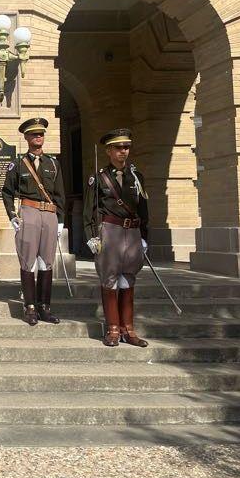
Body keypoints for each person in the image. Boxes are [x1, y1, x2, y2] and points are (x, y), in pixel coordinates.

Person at [83, 128, 150, 348]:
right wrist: (91, 236)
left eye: (127, 147)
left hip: (132, 232)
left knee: (128, 279)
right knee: (110, 279)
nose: (124, 151)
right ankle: (112, 329)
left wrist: (144, 237)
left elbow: (143, 208)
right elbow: (90, 210)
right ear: (109, 151)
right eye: (119, 147)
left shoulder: (136, 176)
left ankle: (128, 329)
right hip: (110, 230)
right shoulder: (99, 177)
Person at [1, 117, 66, 326]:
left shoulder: (53, 164)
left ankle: (44, 307)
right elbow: (7, 192)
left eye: (41, 134)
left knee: (46, 262)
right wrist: (13, 216)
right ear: (26, 137)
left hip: (49, 214)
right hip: (28, 211)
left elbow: (60, 194)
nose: (38, 137)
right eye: (34, 134)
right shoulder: (18, 163)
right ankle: (29, 307)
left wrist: (61, 221)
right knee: (28, 261)